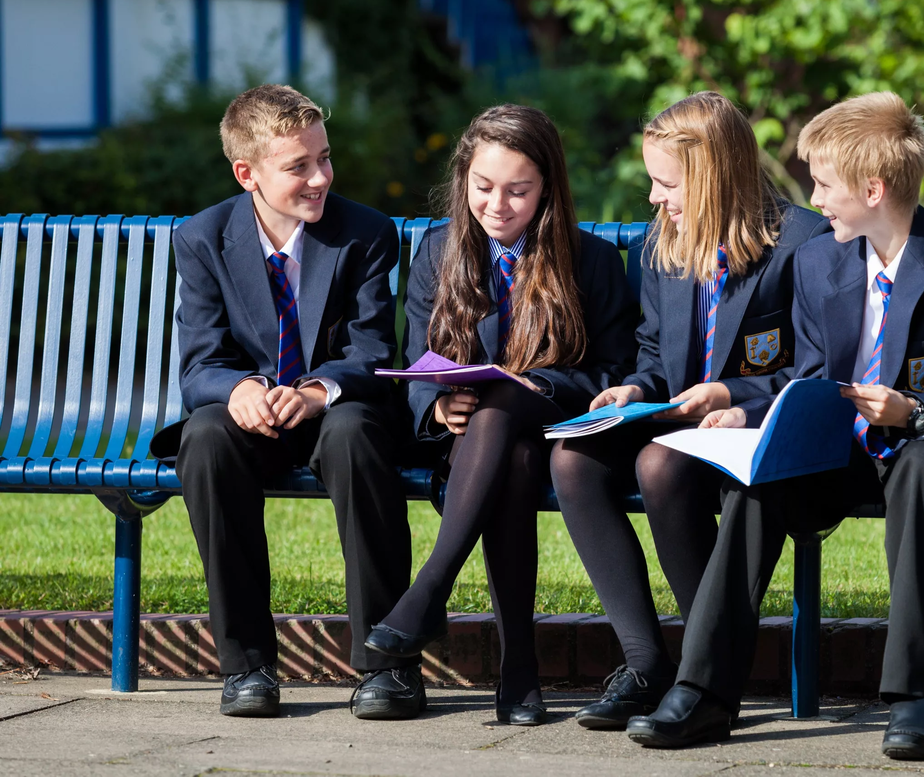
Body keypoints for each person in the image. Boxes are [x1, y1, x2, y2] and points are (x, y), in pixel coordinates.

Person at [626, 92, 924, 757]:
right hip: (844, 454)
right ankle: (703, 693)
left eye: (823, 184)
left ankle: (913, 699)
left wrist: (912, 410)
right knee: (761, 475)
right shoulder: (823, 262)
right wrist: (752, 411)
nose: (813, 200)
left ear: (873, 189)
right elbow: (812, 375)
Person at [549, 91, 830, 730]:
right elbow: (654, 353)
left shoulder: (801, 243)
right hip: (677, 421)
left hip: (748, 432)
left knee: (658, 466)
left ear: (712, 177)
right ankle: (648, 664)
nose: (654, 198)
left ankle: (706, 669)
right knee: (573, 457)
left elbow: (820, 368)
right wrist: (630, 389)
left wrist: (736, 397)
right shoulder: (664, 243)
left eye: (665, 182)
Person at [365, 104, 640, 726]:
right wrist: (439, 402)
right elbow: (417, 358)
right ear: (464, 179)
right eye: (483, 187)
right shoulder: (440, 251)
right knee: (503, 444)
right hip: (471, 447)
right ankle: (518, 673)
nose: (498, 205)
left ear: (548, 189)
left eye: (519, 190)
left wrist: (532, 383)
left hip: (562, 430)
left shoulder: (588, 260)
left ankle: (431, 591)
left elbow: (613, 370)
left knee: (510, 413)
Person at [150, 84, 419, 719]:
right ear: (247, 173)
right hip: (253, 419)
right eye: (298, 166)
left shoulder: (366, 234)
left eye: (324, 157)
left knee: (356, 434)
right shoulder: (203, 238)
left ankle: (389, 666)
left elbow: (374, 349)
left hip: (336, 410)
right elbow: (201, 363)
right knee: (206, 437)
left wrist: (318, 390)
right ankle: (246, 667)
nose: (320, 177)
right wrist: (239, 390)